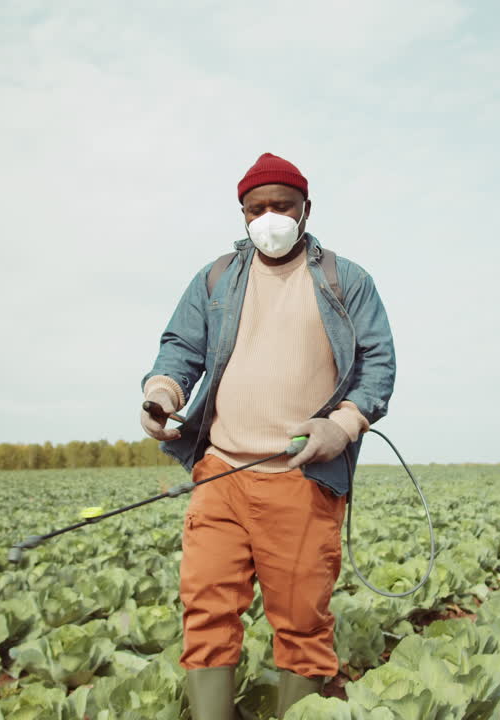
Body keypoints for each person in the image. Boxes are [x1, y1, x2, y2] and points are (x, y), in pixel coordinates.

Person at [139, 152, 396, 719]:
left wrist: (343, 424)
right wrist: (163, 391)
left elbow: (378, 363)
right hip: (221, 473)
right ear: (243, 215)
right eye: (257, 209)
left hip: (300, 479)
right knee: (206, 609)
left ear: (306, 209)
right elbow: (180, 347)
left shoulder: (344, 280)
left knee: (301, 620)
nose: (269, 218)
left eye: (282, 205)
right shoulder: (214, 279)